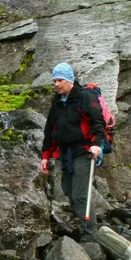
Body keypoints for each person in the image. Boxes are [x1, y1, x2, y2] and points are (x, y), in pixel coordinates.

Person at [39, 62, 107, 241]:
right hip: (64, 153)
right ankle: (83, 225)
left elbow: (98, 122)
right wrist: (46, 155)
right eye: (54, 81)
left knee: (80, 194)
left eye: (60, 80)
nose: (56, 84)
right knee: (67, 189)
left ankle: (89, 235)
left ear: (69, 80)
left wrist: (97, 144)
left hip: (84, 151)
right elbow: (50, 129)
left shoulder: (84, 97)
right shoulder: (57, 102)